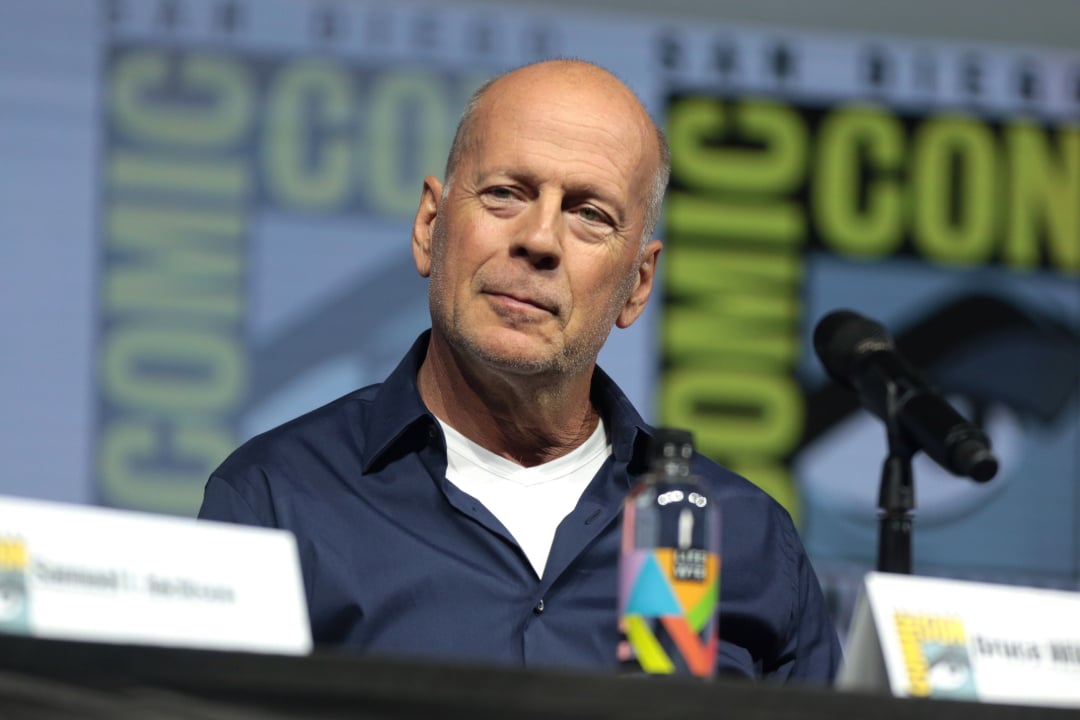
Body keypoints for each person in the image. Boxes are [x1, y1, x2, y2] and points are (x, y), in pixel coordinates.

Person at [199, 59, 842, 682]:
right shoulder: (276, 499)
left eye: (589, 214)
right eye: (505, 194)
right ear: (429, 226)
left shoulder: (749, 538)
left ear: (638, 285)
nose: (538, 240)